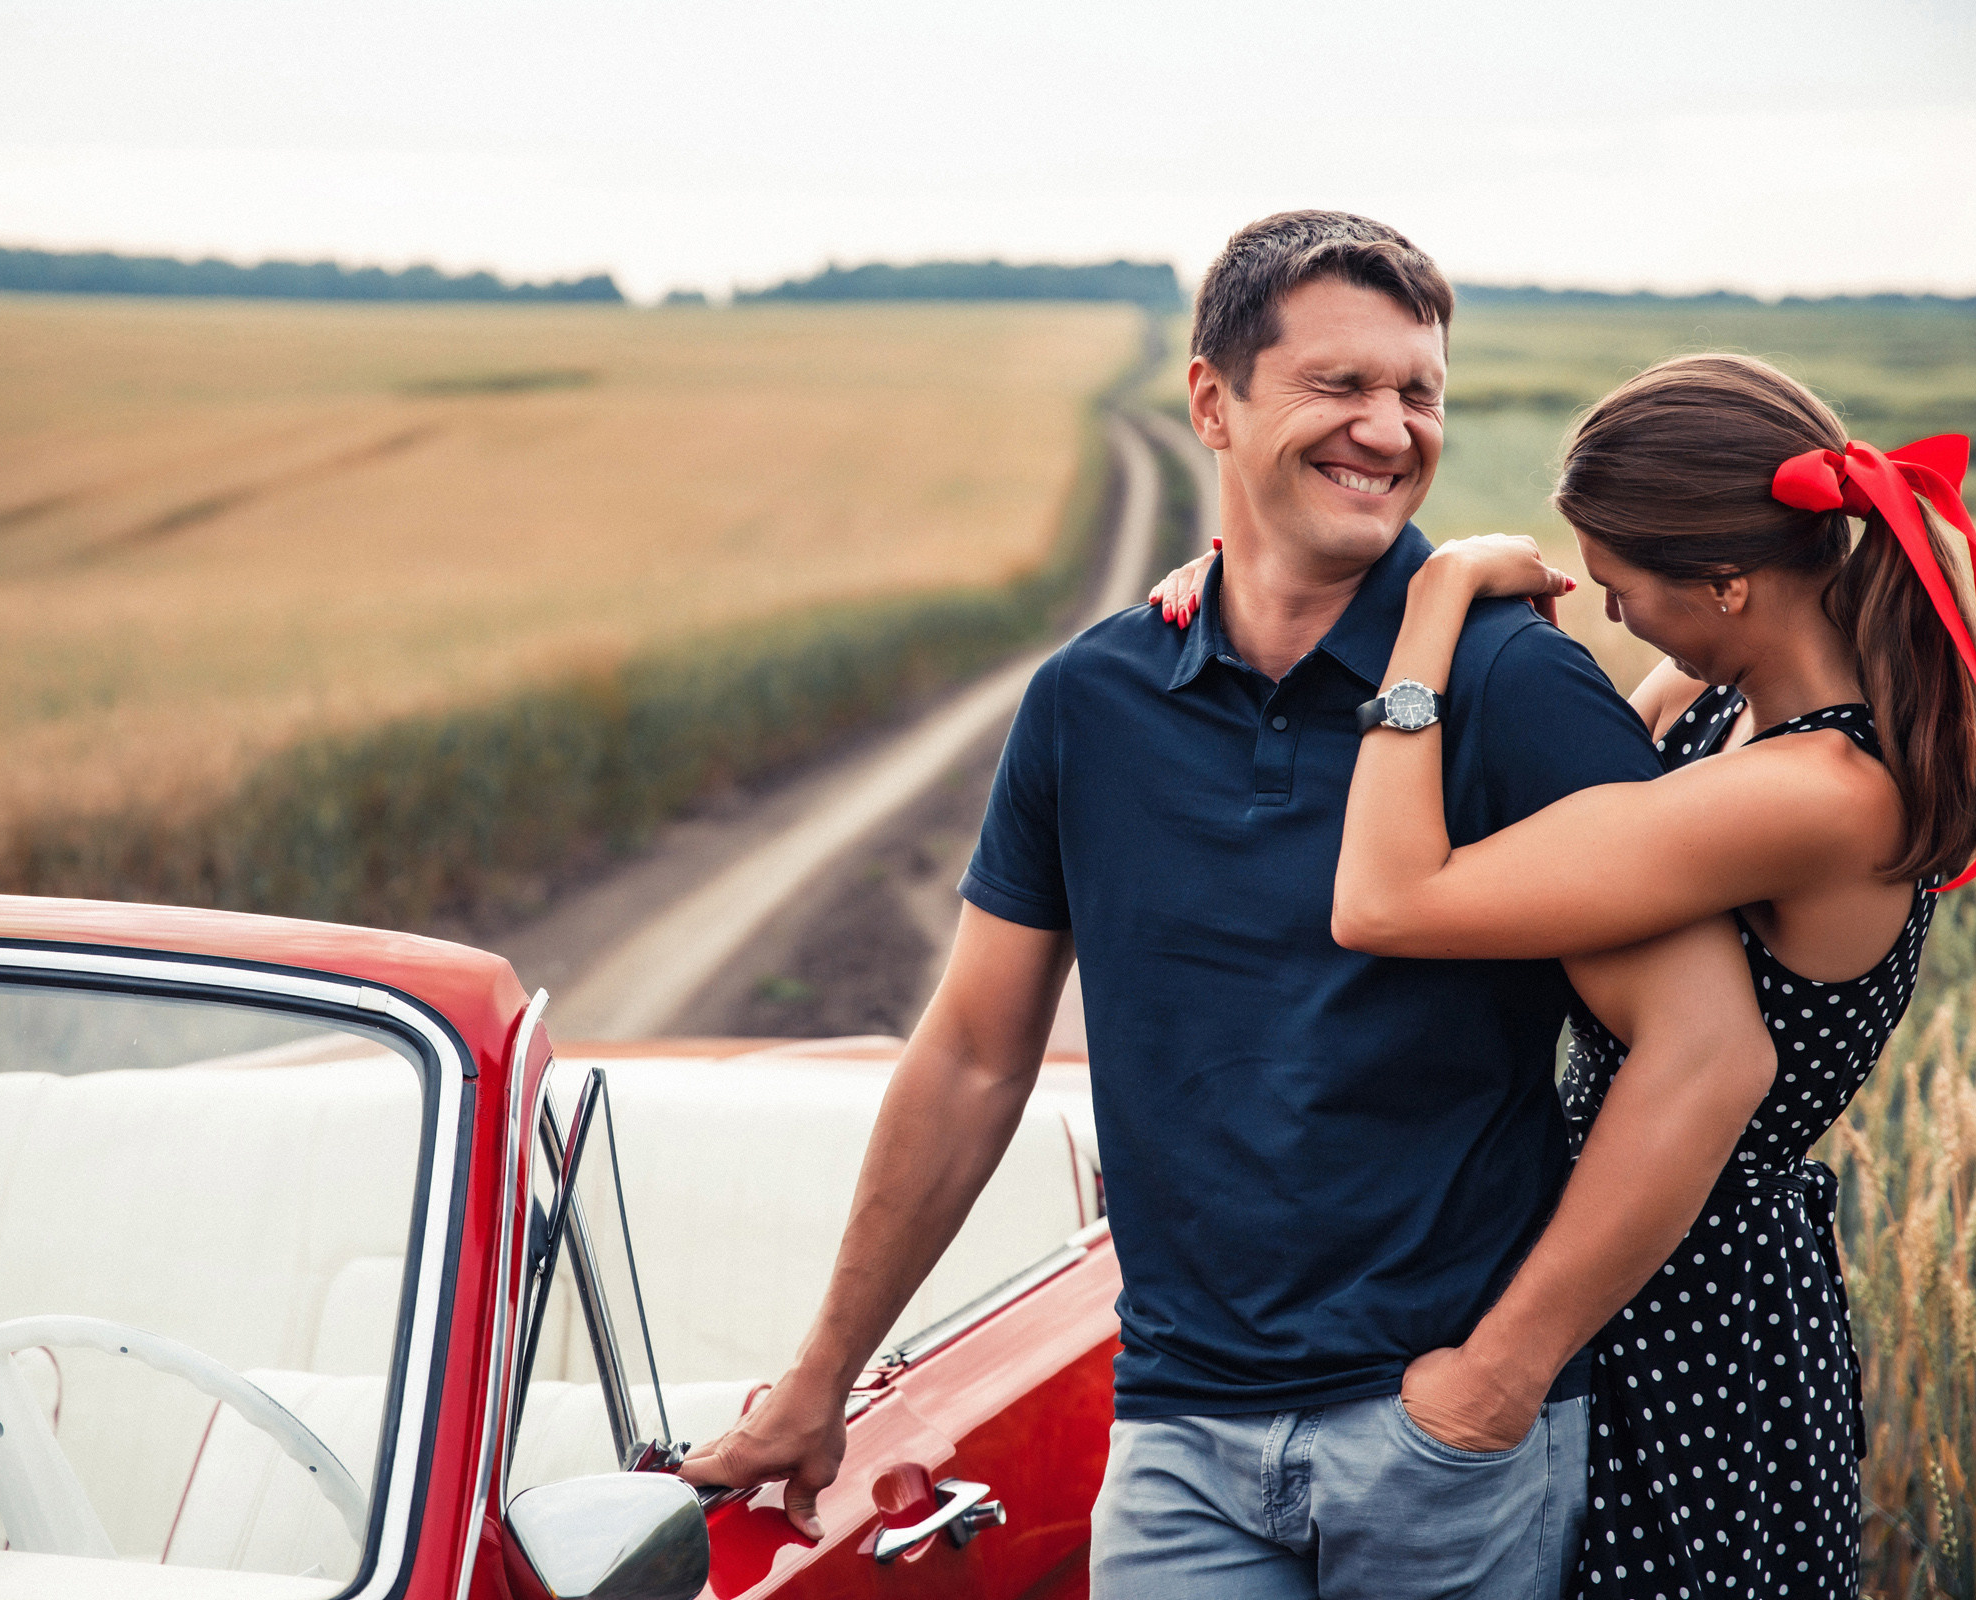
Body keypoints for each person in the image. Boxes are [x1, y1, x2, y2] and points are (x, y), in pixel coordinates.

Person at [680, 209, 1779, 1600]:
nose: (1388, 429)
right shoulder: (1090, 702)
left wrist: (1502, 1374)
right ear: (1212, 397)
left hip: (1438, 1444)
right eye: (1340, 385)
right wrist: (819, 1377)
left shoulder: (1513, 686)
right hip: (1179, 1445)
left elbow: (1706, 1047)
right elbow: (968, 1056)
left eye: (1419, 392)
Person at [1147, 351, 1976, 1596]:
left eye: (1621, 583)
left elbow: (1391, 898)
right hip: (1630, 1262)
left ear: (1731, 583)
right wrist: (1255, 593)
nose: (1604, 605)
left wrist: (1430, 609)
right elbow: (1540, 787)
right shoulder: (1721, 689)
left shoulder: (1817, 793)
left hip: (1681, 1298)